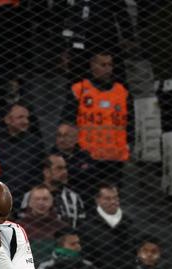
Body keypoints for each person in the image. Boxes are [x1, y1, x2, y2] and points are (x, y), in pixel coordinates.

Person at [63, 51, 133, 186]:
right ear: (92, 65)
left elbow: (130, 122)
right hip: (86, 155)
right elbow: (68, 120)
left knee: (110, 197)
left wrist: (128, 144)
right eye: (103, 64)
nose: (108, 69)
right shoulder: (80, 89)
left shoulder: (122, 92)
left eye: (110, 65)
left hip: (114, 158)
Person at [0, 103, 44, 197]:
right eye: (20, 117)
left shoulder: (36, 143)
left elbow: (39, 173)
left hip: (28, 196)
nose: (26, 121)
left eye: (27, 118)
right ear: (7, 120)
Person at [20, 154, 85, 228]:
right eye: (59, 168)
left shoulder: (74, 197)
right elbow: (24, 223)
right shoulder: (30, 195)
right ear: (47, 172)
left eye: (65, 168)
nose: (65, 172)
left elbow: (81, 226)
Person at [16, 185, 69, 265]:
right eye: (37, 199)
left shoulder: (62, 227)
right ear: (29, 203)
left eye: (45, 199)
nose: (41, 202)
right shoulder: (18, 227)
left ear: (51, 202)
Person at [52, 122, 96, 200]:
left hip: (86, 198)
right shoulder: (51, 157)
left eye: (66, 136)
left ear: (76, 138)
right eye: (59, 136)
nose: (62, 140)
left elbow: (92, 176)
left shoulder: (86, 156)